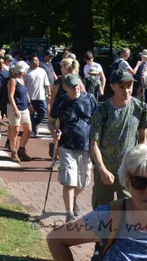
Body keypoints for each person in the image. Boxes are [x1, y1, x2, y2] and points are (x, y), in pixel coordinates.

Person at [89, 69, 147, 209]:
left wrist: (140, 165)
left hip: (129, 171)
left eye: (129, 86)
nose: (126, 91)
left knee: (131, 211)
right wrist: (102, 170)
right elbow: (94, 144)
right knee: (101, 213)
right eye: (122, 87)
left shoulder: (140, 108)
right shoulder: (102, 111)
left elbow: (142, 140)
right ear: (112, 86)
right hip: (105, 169)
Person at [50, 72, 97, 222]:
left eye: (77, 84)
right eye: (72, 86)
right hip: (67, 146)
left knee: (83, 182)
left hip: (86, 146)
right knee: (69, 180)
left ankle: (73, 198)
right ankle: (69, 214)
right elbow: (51, 121)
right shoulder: (61, 101)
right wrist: (54, 132)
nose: (76, 88)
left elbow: (98, 121)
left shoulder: (89, 98)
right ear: (65, 87)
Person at [7, 61, 33, 163]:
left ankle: (21, 149)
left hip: (24, 107)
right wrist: (15, 109)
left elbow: (25, 93)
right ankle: (13, 152)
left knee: (28, 129)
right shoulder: (13, 81)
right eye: (26, 69)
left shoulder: (22, 80)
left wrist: (30, 104)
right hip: (15, 108)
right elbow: (10, 96)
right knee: (15, 131)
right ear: (22, 70)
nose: (27, 71)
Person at [24, 54, 51, 139]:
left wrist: (49, 94)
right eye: (34, 60)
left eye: (37, 60)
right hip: (30, 97)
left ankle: (35, 125)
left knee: (43, 113)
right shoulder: (27, 72)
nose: (36, 62)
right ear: (31, 62)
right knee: (31, 115)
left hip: (41, 97)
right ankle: (33, 130)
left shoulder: (42, 71)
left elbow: (47, 84)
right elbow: (23, 85)